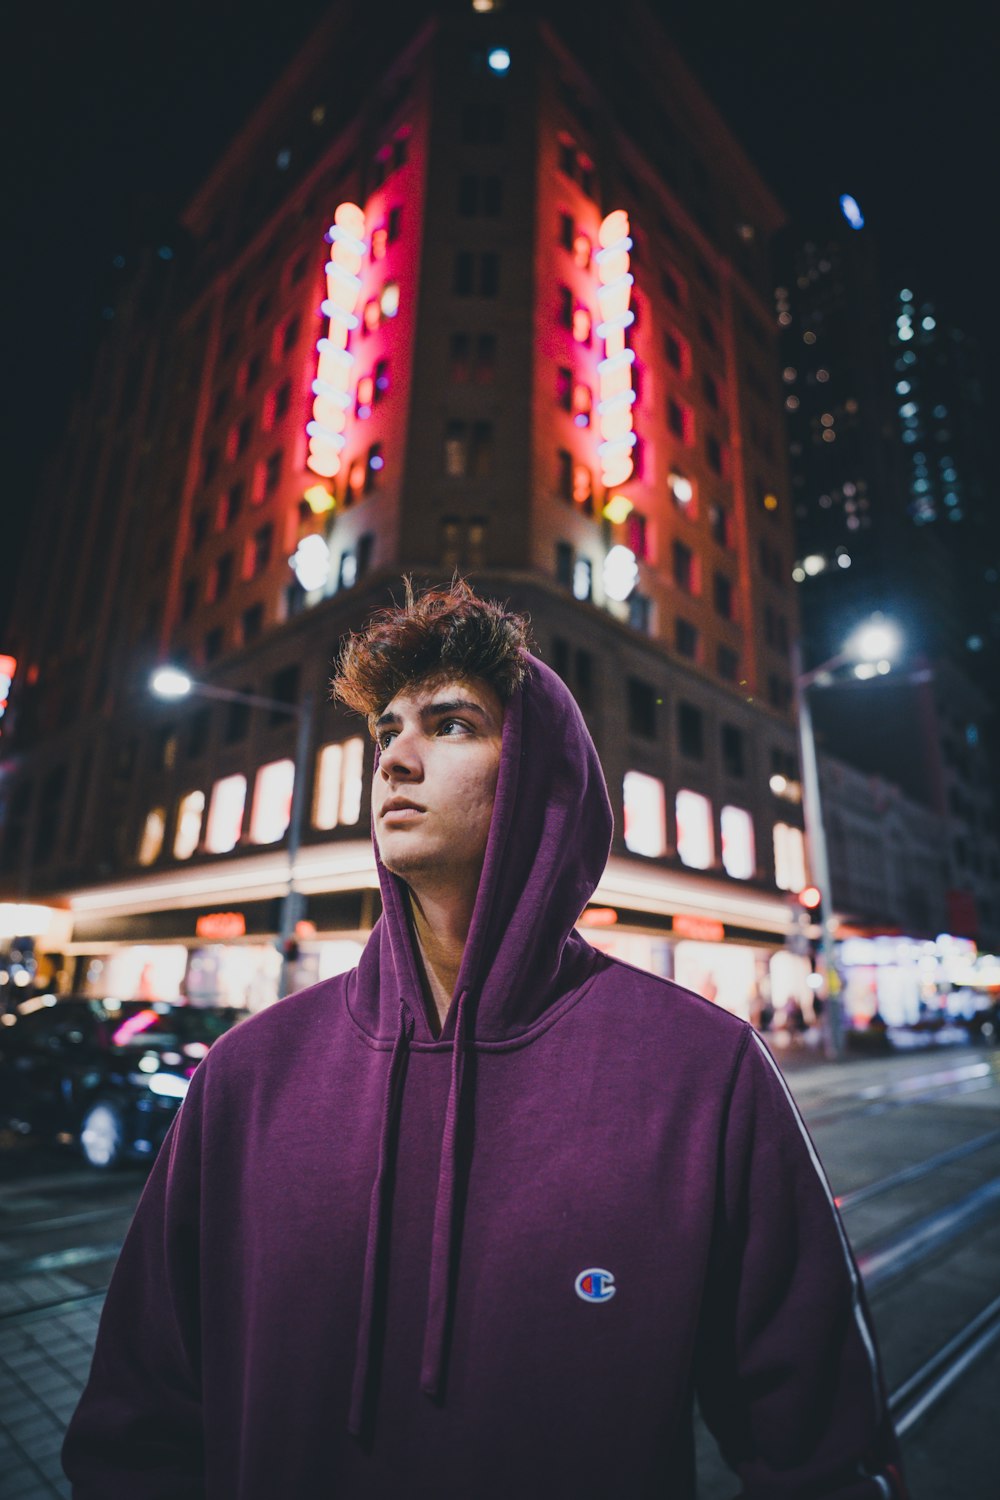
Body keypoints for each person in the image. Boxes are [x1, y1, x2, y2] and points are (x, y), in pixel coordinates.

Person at [62, 580, 907, 1498]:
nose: (395, 759)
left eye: (452, 725)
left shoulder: (705, 1074)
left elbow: (823, 1453)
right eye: (387, 731)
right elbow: (133, 1429)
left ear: (540, 778)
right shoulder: (247, 1077)